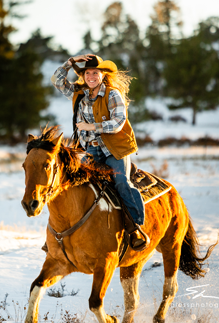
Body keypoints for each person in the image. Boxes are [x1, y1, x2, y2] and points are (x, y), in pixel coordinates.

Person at [50, 54, 149, 251]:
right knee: (73, 183)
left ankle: (136, 227)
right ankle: (65, 232)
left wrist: (90, 126)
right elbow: (56, 81)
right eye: (87, 73)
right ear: (83, 75)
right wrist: (70, 62)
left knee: (121, 182)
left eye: (95, 72)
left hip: (114, 149)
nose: (91, 76)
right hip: (90, 150)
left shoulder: (113, 95)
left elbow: (118, 123)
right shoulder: (79, 94)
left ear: (103, 74)